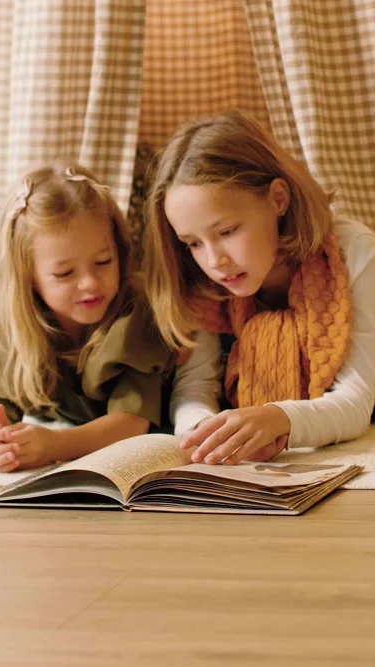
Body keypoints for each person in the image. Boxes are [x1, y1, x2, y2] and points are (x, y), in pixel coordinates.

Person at [145, 110, 375, 465]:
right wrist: (205, 431)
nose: (214, 260)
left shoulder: (356, 254)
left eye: (227, 232)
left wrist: (277, 419)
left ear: (278, 199)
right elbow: (194, 387)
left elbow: (357, 401)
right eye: (192, 243)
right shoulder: (204, 282)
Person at [0, 163, 190, 473]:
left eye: (103, 262)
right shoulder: (15, 328)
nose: (90, 283)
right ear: (28, 277)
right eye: (65, 273)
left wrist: (55, 446)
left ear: (118, 251)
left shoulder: (134, 319)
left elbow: (131, 424)